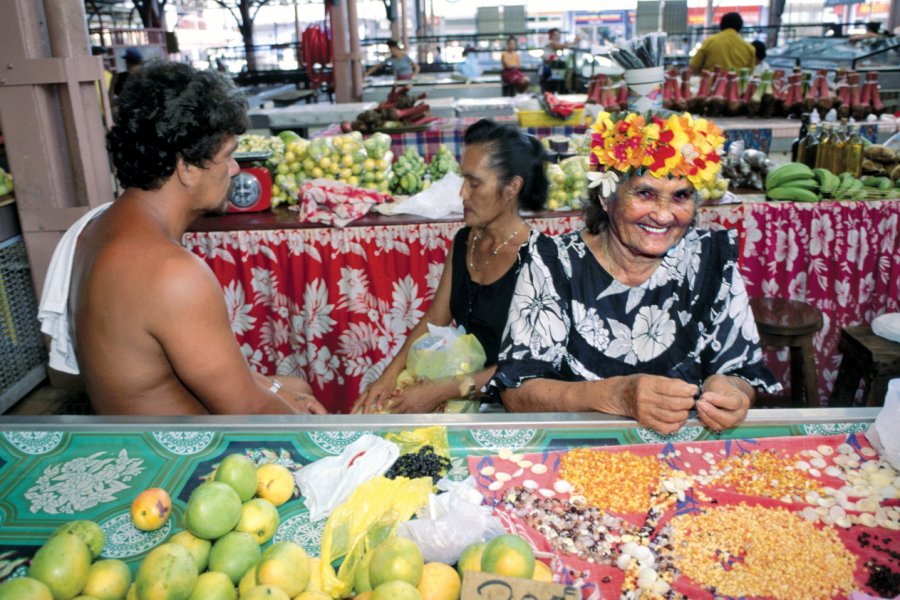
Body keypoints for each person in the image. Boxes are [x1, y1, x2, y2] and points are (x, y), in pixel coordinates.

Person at [490, 111, 781, 434]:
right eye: (645, 193)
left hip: (685, 455)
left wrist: (731, 391)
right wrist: (617, 396)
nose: (663, 215)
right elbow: (517, 391)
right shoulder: (553, 264)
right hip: (578, 450)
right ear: (605, 197)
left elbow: (743, 371)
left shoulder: (710, 262)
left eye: (681, 196)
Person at [65, 61, 327, 416]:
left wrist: (282, 390)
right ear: (186, 167)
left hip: (130, 430)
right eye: (228, 156)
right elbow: (248, 410)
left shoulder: (96, 228)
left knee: (297, 386)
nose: (235, 170)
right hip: (175, 455)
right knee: (308, 409)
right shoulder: (170, 271)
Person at [353, 119, 549, 414]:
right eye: (463, 181)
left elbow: (528, 367)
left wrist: (440, 391)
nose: (462, 194)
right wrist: (387, 376)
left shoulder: (540, 259)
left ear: (512, 188)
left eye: (475, 183)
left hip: (511, 403)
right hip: (462, 389)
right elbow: (436, 317)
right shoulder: (465, 241)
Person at [689, 12, 756, 72]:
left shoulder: (709, 41)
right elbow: (748, 74)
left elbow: (694, 66)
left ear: (721, 25)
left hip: (710, 84)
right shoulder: (750, 49)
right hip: (737, 85)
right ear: (740, 27)